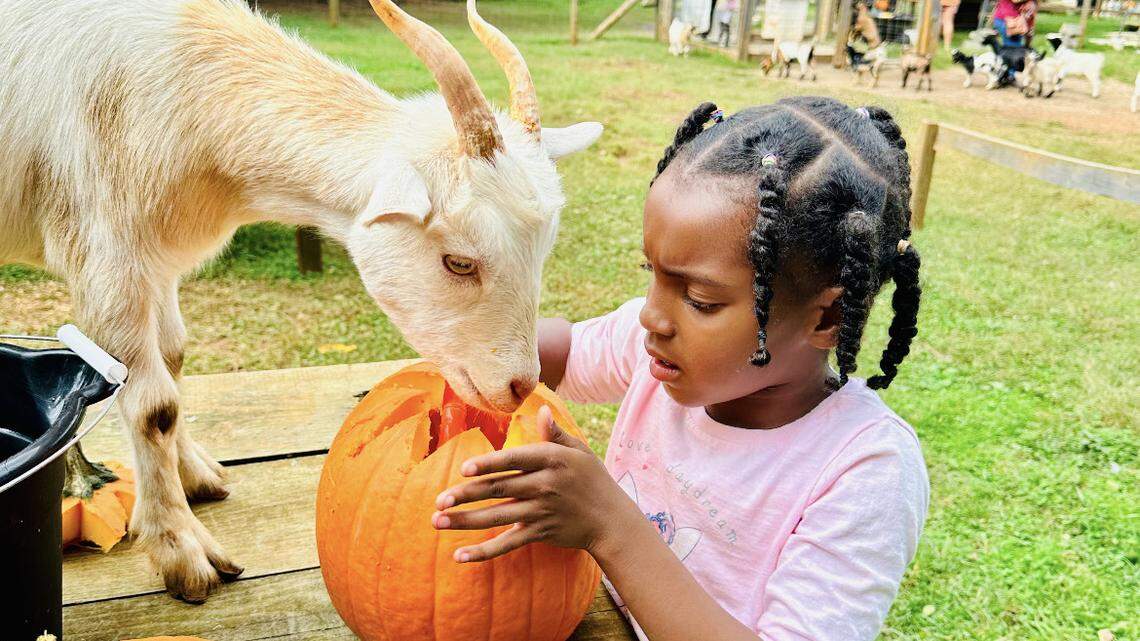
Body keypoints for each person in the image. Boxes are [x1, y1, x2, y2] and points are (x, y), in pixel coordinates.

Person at [431, 97, 930, 641]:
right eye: (653, 273)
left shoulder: (864, 470)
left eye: (699, 299)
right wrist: (469, 328)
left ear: (827, 316)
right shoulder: (659, 348)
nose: (651, 314)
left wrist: (610, 526)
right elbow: (561, 351)